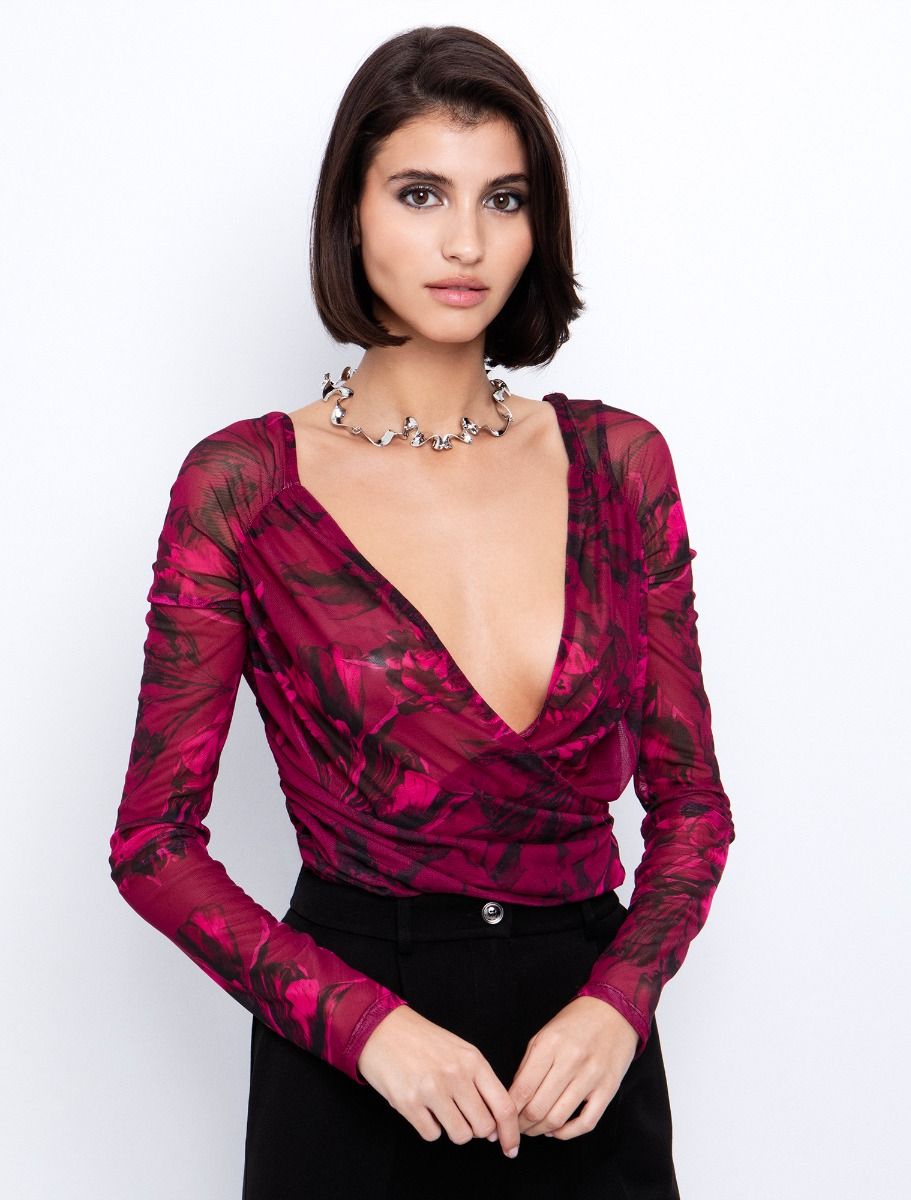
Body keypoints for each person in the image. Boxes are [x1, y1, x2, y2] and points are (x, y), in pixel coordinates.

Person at [109, 23, 735, 1200]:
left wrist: (615, 1003)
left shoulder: (618, 465)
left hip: (580, 1067)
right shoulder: (243, 488)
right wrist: (367, 1030)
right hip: (351, 1064)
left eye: (503, 198)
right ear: (349, 215)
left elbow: (691, 810)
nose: (465, 242)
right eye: (418, 193)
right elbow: (153, 846)